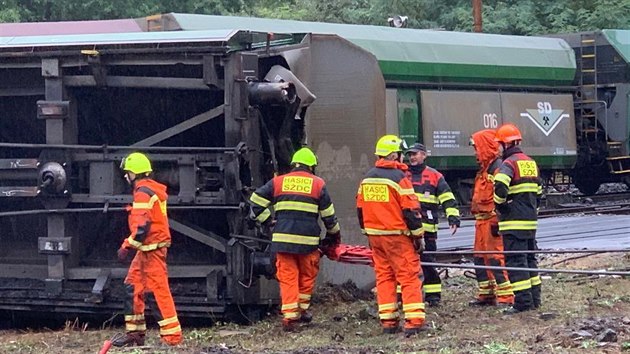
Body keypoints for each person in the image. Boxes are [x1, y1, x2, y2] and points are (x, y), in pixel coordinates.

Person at [249, 147, 341, 331]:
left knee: (288, 278)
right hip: (308, 242)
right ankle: (301, 310)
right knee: (307, 275)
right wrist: (333, 235)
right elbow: (329, 216)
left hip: (283, 241)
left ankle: (290, 318)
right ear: (311, 166)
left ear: (293, 165)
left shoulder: (278, 182)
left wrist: (268, 221)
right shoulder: (317, 184)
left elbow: (255, 201)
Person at [356, 135, 425, 336]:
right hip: (397, 236)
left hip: (375, 236)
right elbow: (410, 210)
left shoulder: (367, 178)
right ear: (394, 155)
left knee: (384, 277)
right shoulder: (399, 179)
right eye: (401, 154)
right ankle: (414, 321)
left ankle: (388, 321)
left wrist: (367, 232)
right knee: (409, 276)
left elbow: (360, 209)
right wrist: (418, 235)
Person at [113, 152, 182, 347]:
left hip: (151, 251)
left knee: (158, 292)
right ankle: (135, 334)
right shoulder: (150, 190)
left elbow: (141, 227)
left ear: (134, 173)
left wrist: (126, 246)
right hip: (147, 250)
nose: (126, 177)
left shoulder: (143, 192)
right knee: (132, 286)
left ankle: (172, 338)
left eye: (127, 173)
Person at [493, 123, 543, 313]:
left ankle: (522, 303)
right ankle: (534, 299)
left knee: (516, 262)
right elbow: (539, 191)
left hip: (513, 223)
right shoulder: (530, 162)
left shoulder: (508, 164)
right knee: (530, 261)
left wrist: (501, 205)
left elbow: (500, 187)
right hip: (530, 222)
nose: (497, 148)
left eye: (499, 144)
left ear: (506, 144)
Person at [404, 143, 460, 307]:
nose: (412, 157)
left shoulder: (435, 176)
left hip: (428, 230)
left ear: (424, 155)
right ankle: (405, 297)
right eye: (410, 155)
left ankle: (433, 296)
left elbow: (448, 199)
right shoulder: (402, 175)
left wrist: (453, 218)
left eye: (415, 154)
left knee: (428, 263)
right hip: (407, 231)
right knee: (406, 265)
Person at [468, 130, 514, 306]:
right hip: (481, 221)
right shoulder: (486, 169)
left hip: (492, 220)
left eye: (476, 148)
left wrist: (498, 219)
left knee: (495, 257)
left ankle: (506, 296)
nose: (475, 153)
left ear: (485, 147)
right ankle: (486, 293)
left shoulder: (497, 168)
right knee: (480, 257)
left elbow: (502, 195)